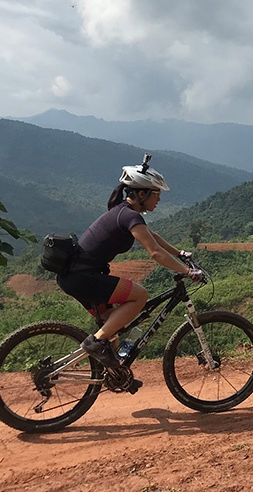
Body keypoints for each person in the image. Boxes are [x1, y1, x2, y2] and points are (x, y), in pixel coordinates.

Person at [57, 155, 204, 374]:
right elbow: (155, 252)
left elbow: (153, 238)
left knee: (113, 324)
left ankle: (117, 374)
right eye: (157, 194)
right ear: (142, 194)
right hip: (83, 277)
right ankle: (94, 342)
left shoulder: (125, 214)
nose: (159, 200)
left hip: (74, 277)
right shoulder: (128, 216)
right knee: (140, 296)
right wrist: (187, 271)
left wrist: (181, 253)